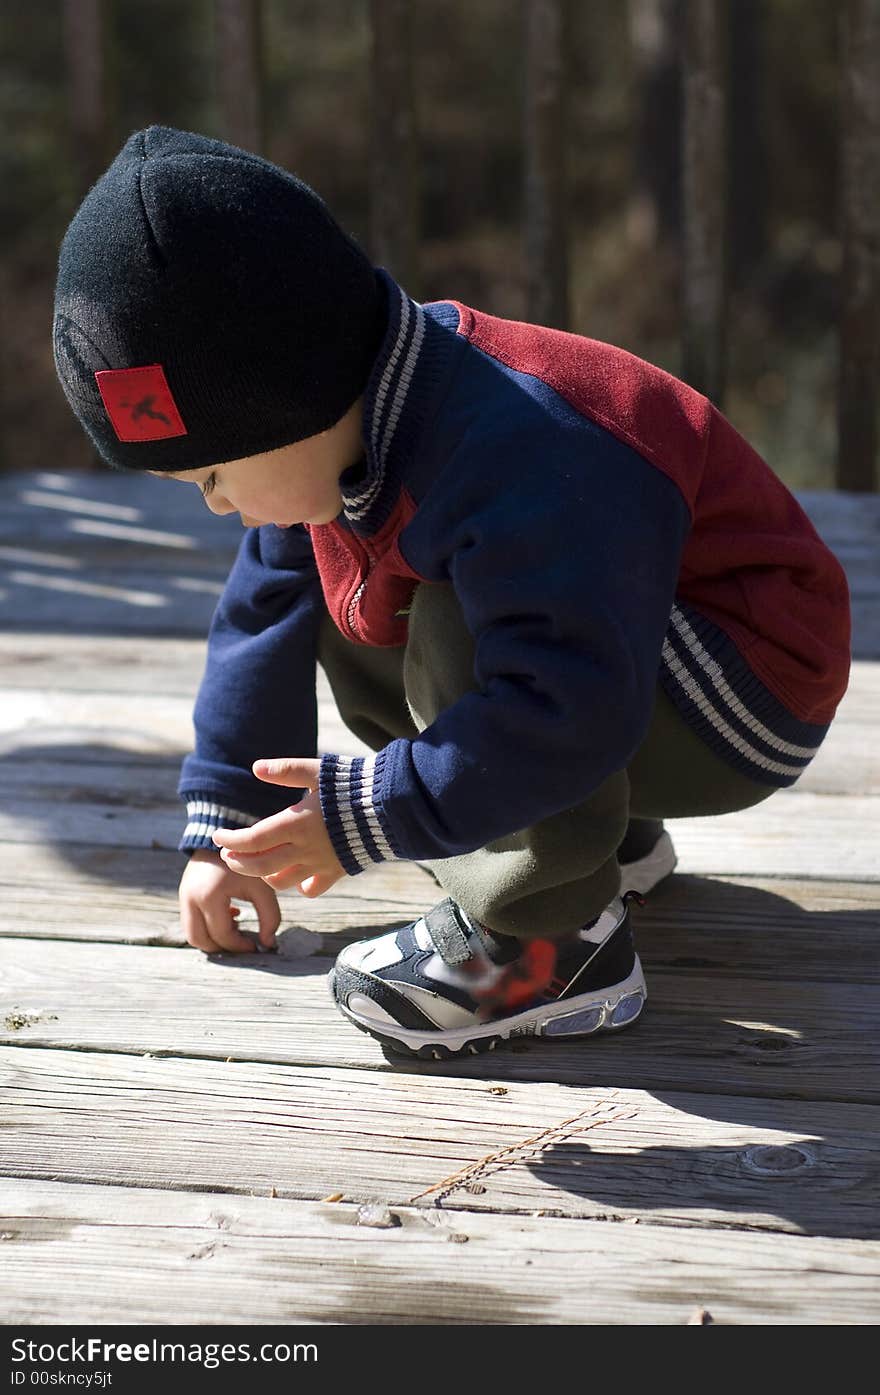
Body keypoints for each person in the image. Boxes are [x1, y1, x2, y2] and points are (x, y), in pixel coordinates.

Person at [53, 125, 851, 1060]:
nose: (218, 507)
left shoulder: (518, 446)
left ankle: (550, 943)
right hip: (629, 660)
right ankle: (601, 844)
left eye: (213, 476)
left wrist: (371, 815)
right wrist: (227, 831)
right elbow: (259, 621)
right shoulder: (344, 431)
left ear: (286, 398)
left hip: (748, 679)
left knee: (451, 618)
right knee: (350, 606)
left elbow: (568, 697)